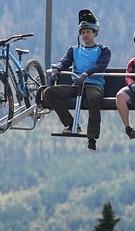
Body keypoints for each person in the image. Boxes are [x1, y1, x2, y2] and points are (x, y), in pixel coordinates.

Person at [44, 9, 111, 151]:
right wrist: (57, 68)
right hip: (77, 85)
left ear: (94, 33)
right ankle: (70, 123)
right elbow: (64, 62)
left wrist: (86, 74)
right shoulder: (74, 50)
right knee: (49, 92)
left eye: (88, 32)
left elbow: (100, 66)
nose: (85, 35)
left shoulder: (103, 50)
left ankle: (92, 136)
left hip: (94, 84)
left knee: (94, 99)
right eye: (83, 32)